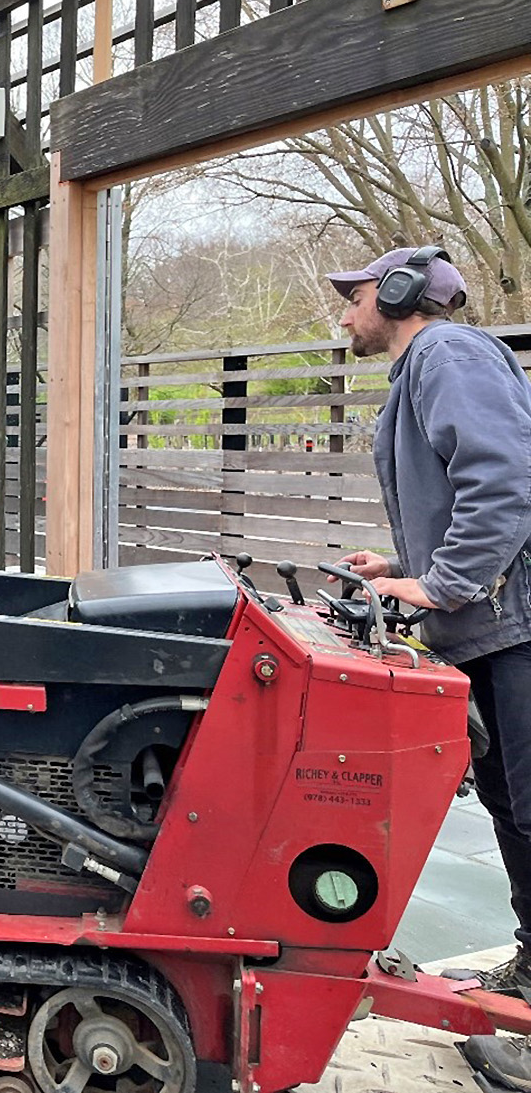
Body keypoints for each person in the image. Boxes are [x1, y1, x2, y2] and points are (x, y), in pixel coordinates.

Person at [326, 246, 531, 1087]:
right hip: (487, 631)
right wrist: (404, 568)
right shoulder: (422, 374)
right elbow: (463, 492)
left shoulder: (447, 353)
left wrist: (442, 581)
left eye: (356, 295)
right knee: (514, 811)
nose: (344, 312)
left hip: (516, 628)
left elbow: (506, 478)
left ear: (402, 293)